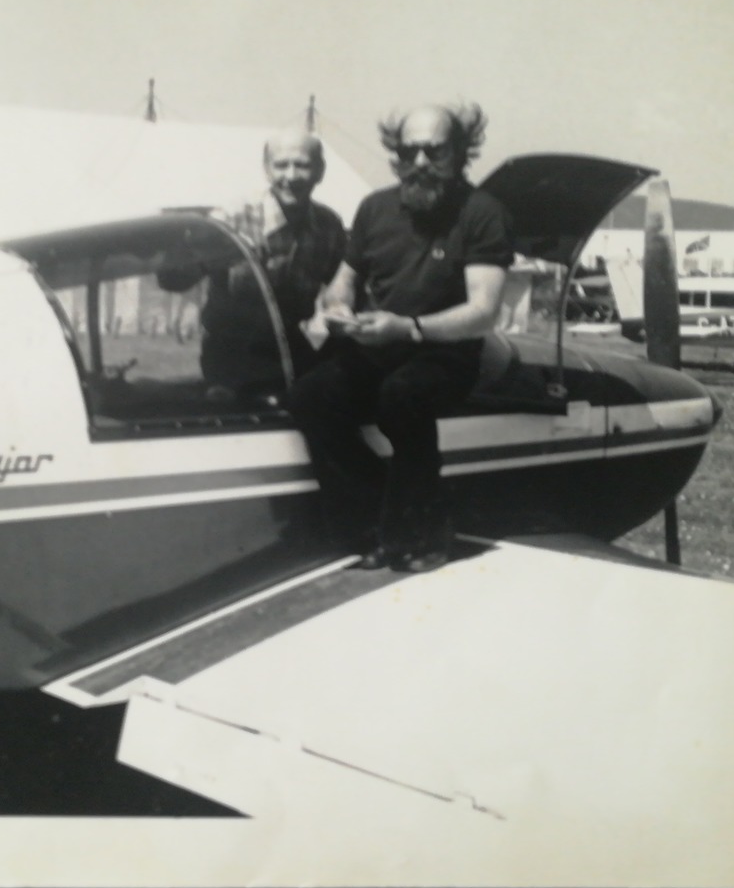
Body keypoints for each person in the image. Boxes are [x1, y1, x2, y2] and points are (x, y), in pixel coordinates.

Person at [288, 104, 513, 573]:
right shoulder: (374, 208)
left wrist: (408, 328)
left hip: (446, 353)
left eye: (435, 151)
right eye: (409, 150)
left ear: (460, 152)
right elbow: (345, 279)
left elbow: (482, 311)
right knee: (312, 395)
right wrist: (338, 306)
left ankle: (422, 534)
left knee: (402, 395)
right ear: (396, 153)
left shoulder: (483, 214)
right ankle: (371, 524)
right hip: (379, 342)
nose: (421, 162)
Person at [160, 130, 346, 402]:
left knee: (329, 401)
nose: (291, 177)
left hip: (288, 343)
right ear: (267, 170)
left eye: (302, 165)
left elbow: (343, 289)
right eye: (281, 165)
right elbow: (171, 279)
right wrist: (201, 250)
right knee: (233, 416)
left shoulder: (329, 226)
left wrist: (340, 312)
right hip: (229, 350)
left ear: (320, 171)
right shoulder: (232, 216)